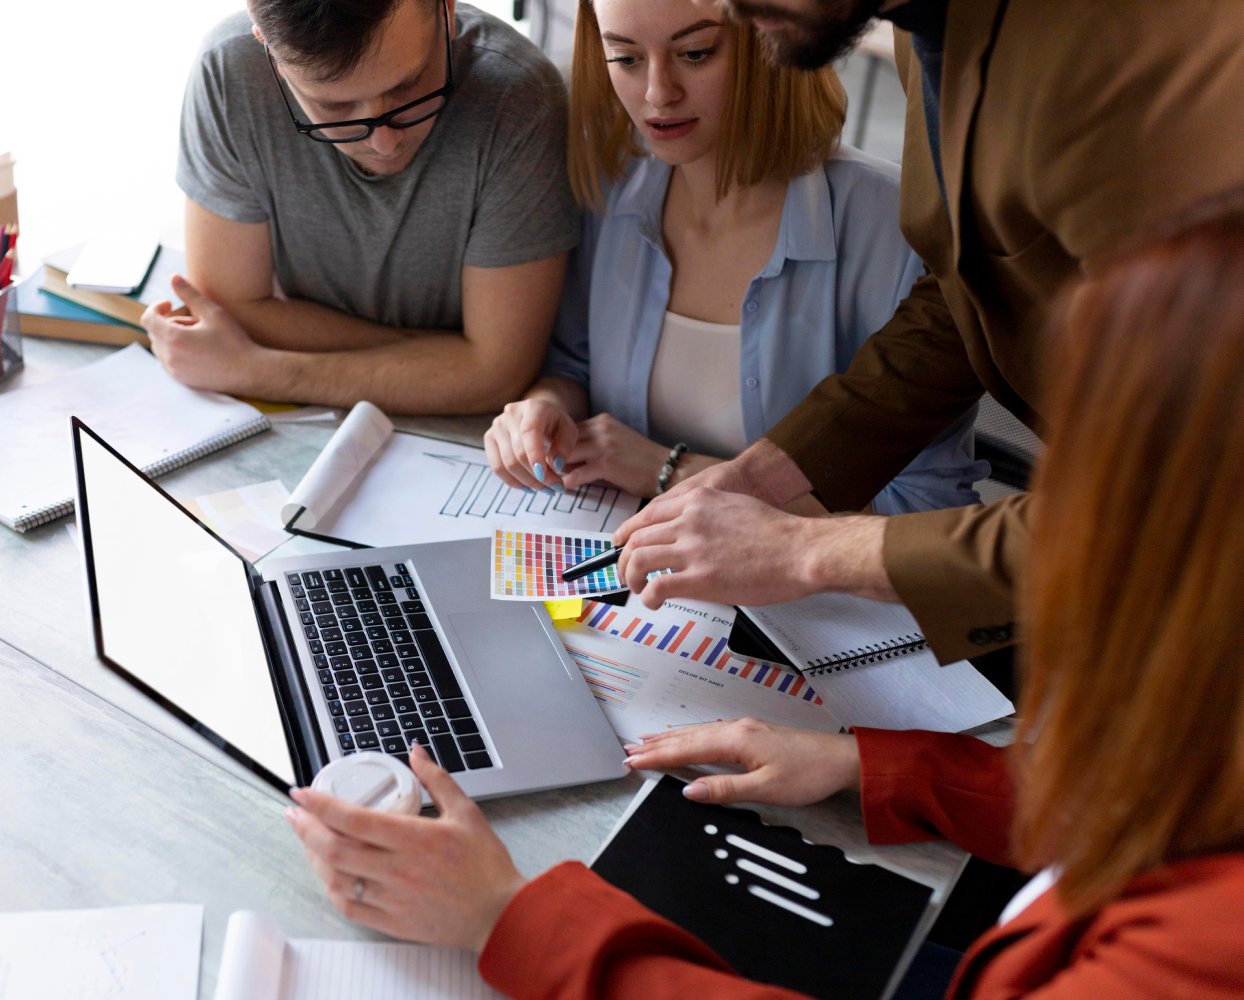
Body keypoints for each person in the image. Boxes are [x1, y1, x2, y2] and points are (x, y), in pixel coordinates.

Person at [283, 198, 1244, 997]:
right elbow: (1166, 806)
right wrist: (872, 767)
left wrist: (509, 916)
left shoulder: (1198, 954)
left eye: (1093, 495)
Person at [610, 0, 1244, 663]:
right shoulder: (928, 21)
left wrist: (809, 551)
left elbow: (1179, 498)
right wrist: (771, 473)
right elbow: (968, 290)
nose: (720, 6)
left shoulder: (1137, 64)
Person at [482, 0, 982, 514]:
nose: (657, 94)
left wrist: (668, 471)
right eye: (626, 59)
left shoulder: (896, 228)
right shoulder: (610, 186)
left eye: (695, 54)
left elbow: (926, 506)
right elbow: (575, 363)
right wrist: (543, 409)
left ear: (770, 39)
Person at [140, 0, 580, 414]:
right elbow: (232, 307)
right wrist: (448, 359)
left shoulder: (518, 96)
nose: (384, 142)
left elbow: (497, 376)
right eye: (335, 107)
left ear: (445, 9)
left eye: (409, 87)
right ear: (268, 50)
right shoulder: (228, 71)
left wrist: (253, 369)